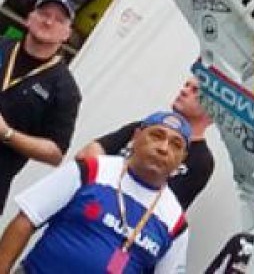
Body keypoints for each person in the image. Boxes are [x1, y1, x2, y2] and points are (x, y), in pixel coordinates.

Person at [0, 110, 191, 273]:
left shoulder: (175, 221)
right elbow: (27, 219)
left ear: (183, 158)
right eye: (156, 136)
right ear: (136, 136)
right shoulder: (90, 170)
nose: (163, 148)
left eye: (176, 145)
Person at [76, 76, 214, 210]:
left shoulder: (201, 161)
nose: (183, 91)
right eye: (186, 85)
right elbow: (86, 154)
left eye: (195, 90)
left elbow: (164, 209)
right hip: (88, 200)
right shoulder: (147, 127)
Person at [0, 0, 82, 210]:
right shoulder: (2, 45)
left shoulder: (65, 90)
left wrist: (7, 134)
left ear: (67, 33)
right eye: (44, 14)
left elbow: (55, 153)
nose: (48, 22)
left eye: (59, 20)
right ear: (29, 18)